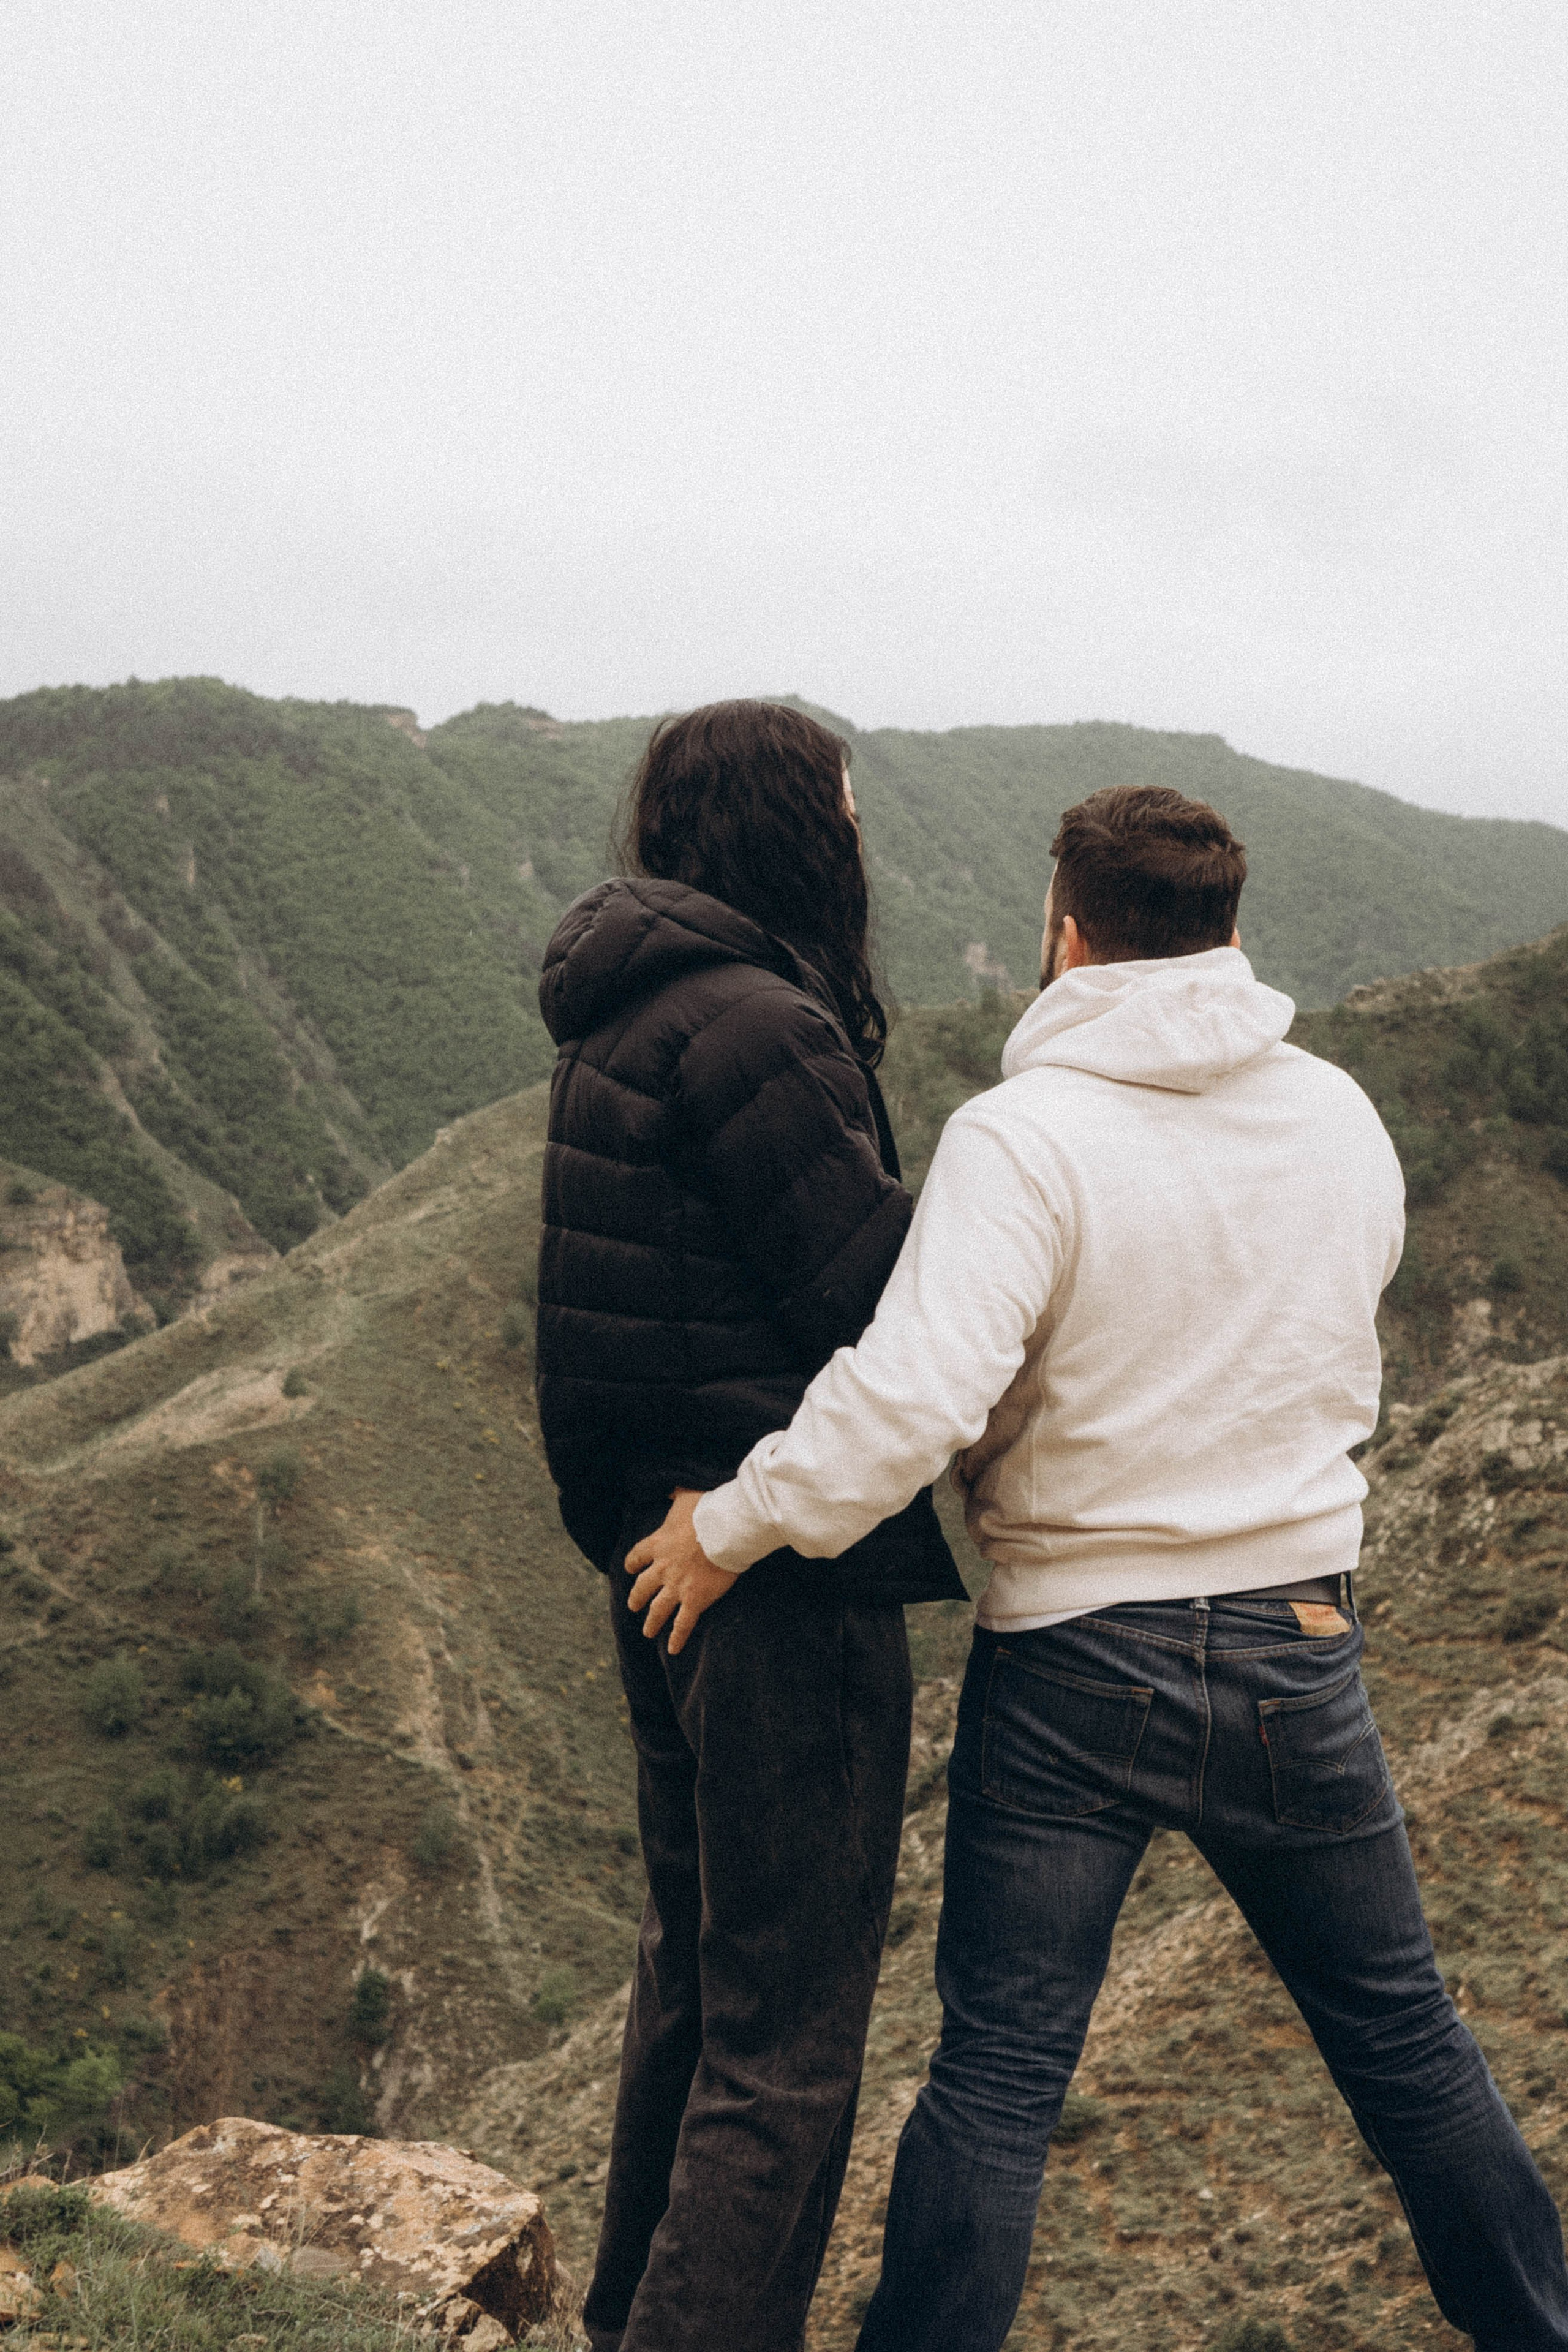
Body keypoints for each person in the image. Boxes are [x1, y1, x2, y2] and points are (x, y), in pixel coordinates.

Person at [627, 782, 1568, 2352]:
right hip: (1292, 1640)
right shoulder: (1334, 1112)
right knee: (1407, 2046)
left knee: (997, 2077)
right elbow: (1346, 1314)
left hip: (1074, 1659)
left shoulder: (1022, 1138)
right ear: (1229, 932)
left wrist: (728, 1526)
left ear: (1064, 933)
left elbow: (915, 1396)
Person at [534, 699, 965, 2352]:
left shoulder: (623, 1015)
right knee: (787, 2036)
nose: (864, 836)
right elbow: (879, 1304)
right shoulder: (763, 1029)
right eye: (847, 807)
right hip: (776, 1565)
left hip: (660, 1558)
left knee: (696, 1987)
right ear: (797, 825)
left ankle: (625, 2319)